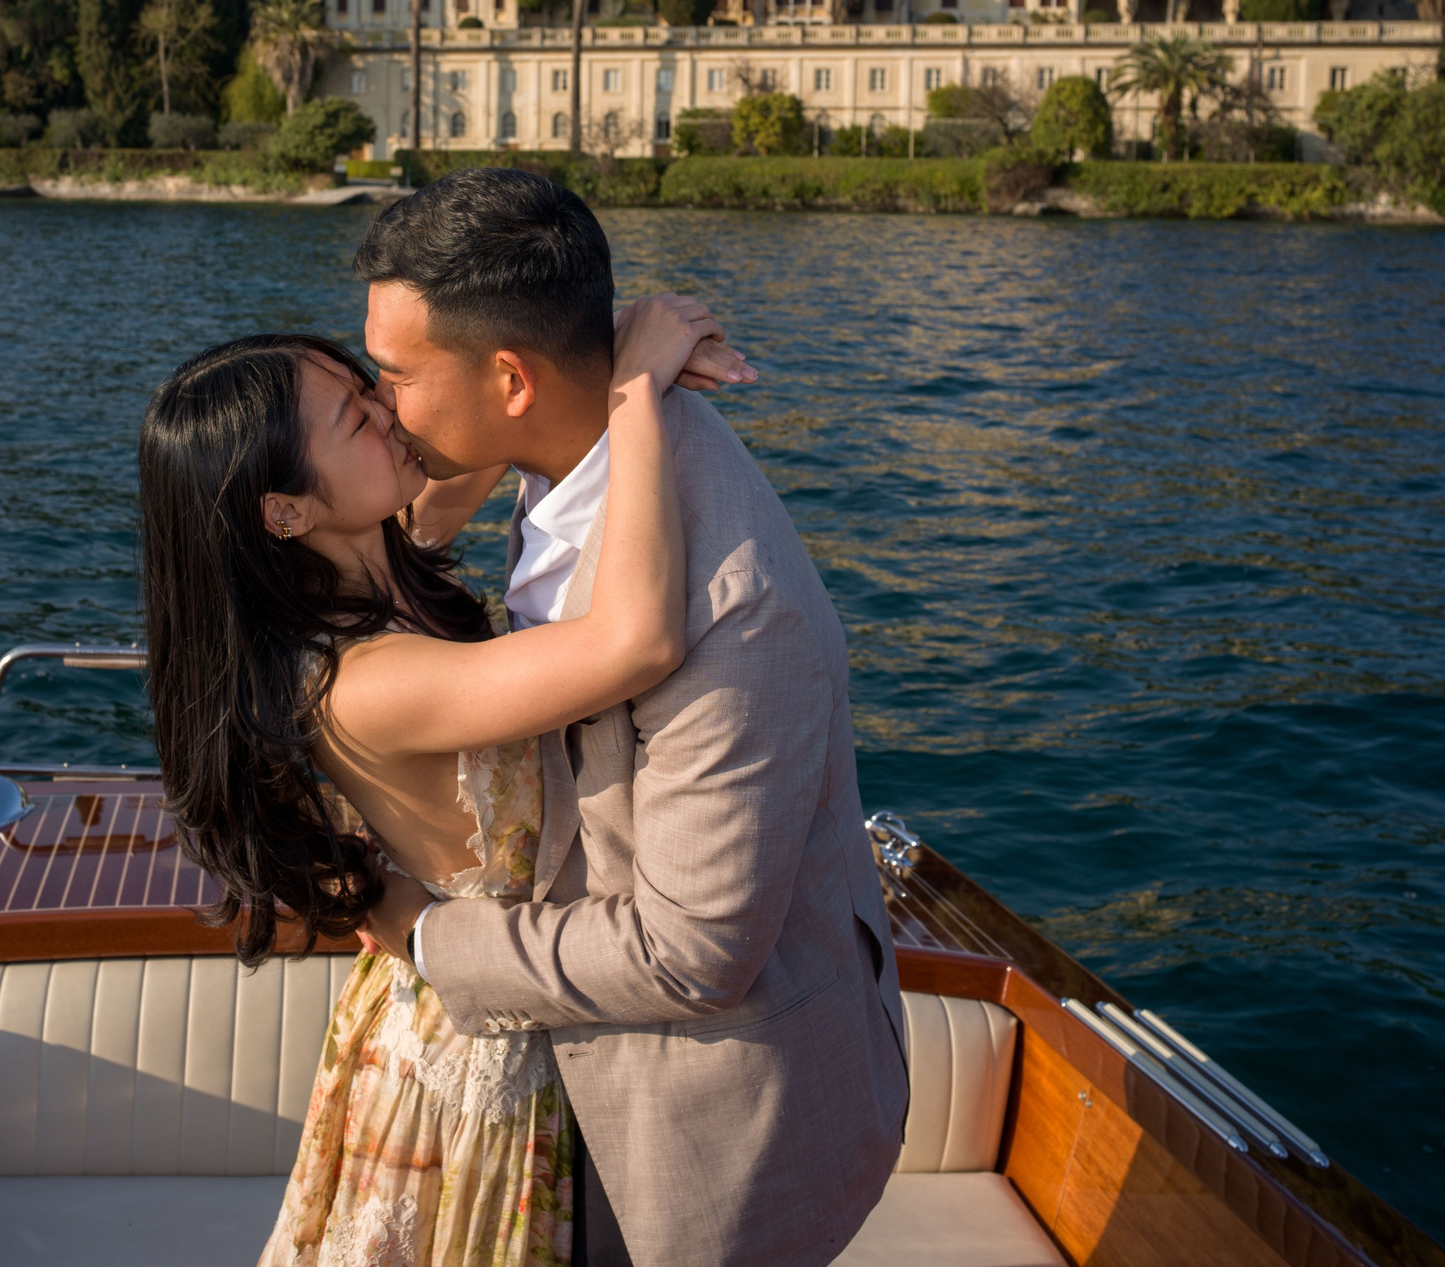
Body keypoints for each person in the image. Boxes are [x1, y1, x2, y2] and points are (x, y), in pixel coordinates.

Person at [355, 169, 909, 1267]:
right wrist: (618, 354)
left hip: (698, 1118)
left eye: (391, 377)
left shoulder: (729, 606)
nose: (380, 408)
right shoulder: (561, 440)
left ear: (511, 378)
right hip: (558, 1054)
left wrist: (420, 934)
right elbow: (412, 519)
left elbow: (695, 951)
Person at [139, 289, 743, 1267]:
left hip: (496, 981)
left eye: (372, 382)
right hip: (490, 1039)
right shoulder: (362, 682)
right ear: (285, 510)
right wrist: (632, 386)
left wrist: (605, 349)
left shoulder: (390, 554)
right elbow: (636, 641)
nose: (389, 409)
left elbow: (502, 417)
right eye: (355, 415)